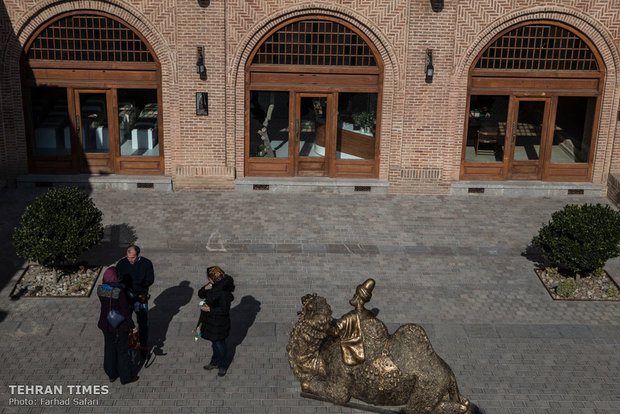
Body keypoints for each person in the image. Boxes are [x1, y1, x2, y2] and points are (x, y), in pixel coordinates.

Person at [97, 267, 139, 385]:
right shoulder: (119, 292)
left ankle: (111, 374)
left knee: (109, 348)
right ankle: (125, 377)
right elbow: (125, 311)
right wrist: (132, 327)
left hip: (105, 324)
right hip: (119, 326)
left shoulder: (100, 289)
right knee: (122, 351)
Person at [327, 278, 376, 366]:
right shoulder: (370, 315)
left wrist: (324, 326)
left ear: (358, 297)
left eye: (355, 294)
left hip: (351, 354)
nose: (354, 296)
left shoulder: (348, 317)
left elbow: (335, 332)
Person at [198, 266, 235, 377]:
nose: (207, 278)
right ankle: (214, 362)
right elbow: (200, 294)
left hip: (219, 324)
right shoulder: (214, 285)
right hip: (210, 322)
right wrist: (206, 288)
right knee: (214, 344)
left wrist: (210, 309)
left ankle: (223, 365)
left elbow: (224, 310)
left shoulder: (223, 292)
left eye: (208, 277)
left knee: (219, 344)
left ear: (213, 278)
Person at [116, 245, 154, 350]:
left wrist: (136, 286)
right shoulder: (122, 263)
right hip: (126, 297)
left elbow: (150, 280)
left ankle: (143, 344)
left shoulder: (146, 263)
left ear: (138, 255)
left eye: (132, 257)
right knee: (124, 319)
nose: (130, 260)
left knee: (143, 321)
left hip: (140, 297)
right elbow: (118, 278)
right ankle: (126, 340)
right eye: (128, 257)